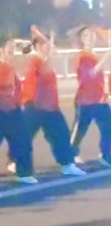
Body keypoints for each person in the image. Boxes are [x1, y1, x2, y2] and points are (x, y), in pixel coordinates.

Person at [23, 35, 87, 177]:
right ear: (38, 48)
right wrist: (51, 58)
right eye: (46, 45)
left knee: (61, 134)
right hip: (34, 106)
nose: (50, 47)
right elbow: (42, 76)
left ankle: (67, 164)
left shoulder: (43, 61)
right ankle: (16, 163)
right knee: (24, 137)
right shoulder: (35, 62)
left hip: (50, 106)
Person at [0, 36, 37, 184]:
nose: (13, 49)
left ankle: (24, 173)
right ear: (1, 50)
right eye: (9, 46)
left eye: (13, 46)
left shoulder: (10, 68)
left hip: (13, 111)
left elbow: (17, 89)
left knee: (23, 141)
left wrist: (16, 103)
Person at [70, 26, 111, 167]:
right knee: (80, 130)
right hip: (85, 100)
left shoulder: (94, 55)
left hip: (100, 100)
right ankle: (71, 156)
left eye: (92, 35)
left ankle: (107, 156)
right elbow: (90, 74)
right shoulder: (81, 57)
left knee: (108, 128)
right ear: (82, 39)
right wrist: (108, 52)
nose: (90, 38)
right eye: (87, 35)